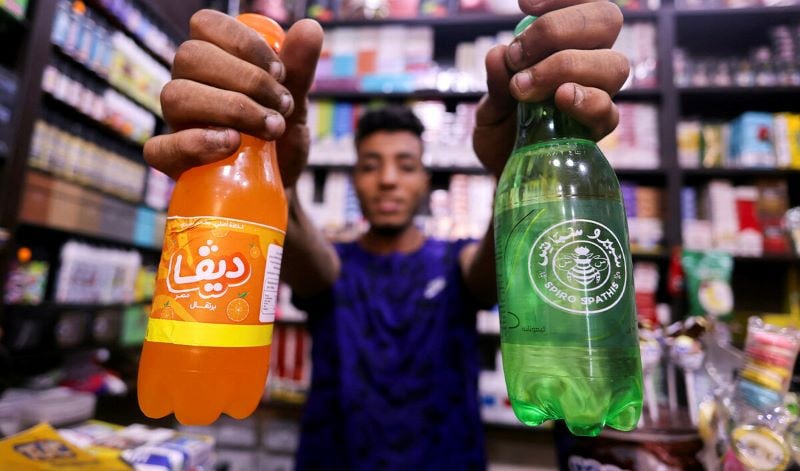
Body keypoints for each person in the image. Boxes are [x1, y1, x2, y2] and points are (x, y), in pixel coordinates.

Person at [144, 1, 630, 468]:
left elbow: (498, 271)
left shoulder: (457, 264)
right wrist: (272, 178)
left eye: (406, 165)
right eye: (372, 166)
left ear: (425, 179)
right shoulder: (333, 266)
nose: (389, 180)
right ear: (354, 180)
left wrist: (513, 172)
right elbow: (301, 254)